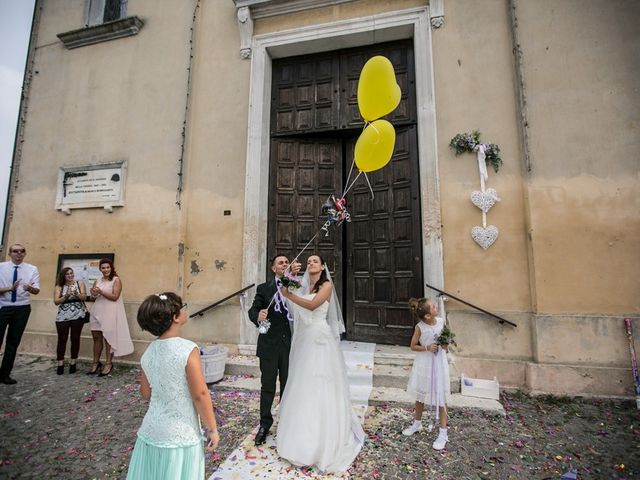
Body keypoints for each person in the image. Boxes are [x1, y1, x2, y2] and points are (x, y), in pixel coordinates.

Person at [277, 254, 364, 473]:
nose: (311, 263)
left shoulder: (326, 285)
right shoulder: (302, 284)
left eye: (315, 261)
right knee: (303, 384)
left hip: (320, 339)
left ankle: (322, 441)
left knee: (320, 383)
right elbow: (293, 307)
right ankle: (299, 437)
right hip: (305, 338)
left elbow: (314, 304)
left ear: (323, 266)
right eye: (309, 261)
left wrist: (289, 294)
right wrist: (289, 281)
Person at [126, 292, 219, 480]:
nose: (186, 309)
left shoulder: (148, 351)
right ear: (176, 318)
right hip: (181, 434)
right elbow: (200, 393)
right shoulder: (188, 349)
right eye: (183, 307)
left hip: (150, 431)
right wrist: (212, 428)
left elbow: (145, 393)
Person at [247, 255, 301, 446]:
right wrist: (258, 316)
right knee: (268, 386)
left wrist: (294, 278)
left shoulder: (294, 285)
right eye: (281, 262)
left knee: (288, 386)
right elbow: (252, 311)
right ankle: (265, 424)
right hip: (269, 346)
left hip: (289, 346)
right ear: (273, 268)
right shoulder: (264, 289)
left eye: (287, 262)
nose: (285, 264)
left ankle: (287, 422)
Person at [402, 297, 451, 451]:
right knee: (420, 395)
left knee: (441, 398)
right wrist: (427, 347)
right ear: (428, 316)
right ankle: (417, 423)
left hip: (439, 364)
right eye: (433, 307)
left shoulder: (442, 322)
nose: (436, 307)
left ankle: (443, 433)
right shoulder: (420, 327)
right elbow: (412, 346)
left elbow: (446, 343)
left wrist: (445, 343)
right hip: (424, 364)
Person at [0, 244, 40, 385]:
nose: (19, 253)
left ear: (25, 253)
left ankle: (5, 374)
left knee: (13, 342)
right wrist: (10, 288)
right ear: (10, 253)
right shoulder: (1, 267)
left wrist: (30, 288)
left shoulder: (31, 269)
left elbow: (36, 291)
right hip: (3, 307)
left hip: (22, 308)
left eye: (22, 251)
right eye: (15, 251)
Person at [88, 258, 133, 376]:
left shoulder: (116, 280)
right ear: (100, 269)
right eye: (103, 268)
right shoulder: (97, 280)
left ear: (111, 268)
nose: (106, 269)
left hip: (110, 312)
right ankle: (95, 362)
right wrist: (93, 293)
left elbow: (115, 296)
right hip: (97, 312)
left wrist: (101, 291)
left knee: (108, 338)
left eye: (108, 267)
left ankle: (108, 363)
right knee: (96, 337)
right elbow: (93, 298)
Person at [53, 267, 87, 374]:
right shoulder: (59, 286)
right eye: (67, 274)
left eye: (71, 273)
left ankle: (73, 362)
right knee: (62, 339)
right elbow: (56, 301)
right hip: (63, 315)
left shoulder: (79, 283)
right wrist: (66, 296)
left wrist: (76, 293)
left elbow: (84, 297)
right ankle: (60, 363)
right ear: (63, 275)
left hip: (78, 314)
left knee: (75, 338)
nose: (70, 275)